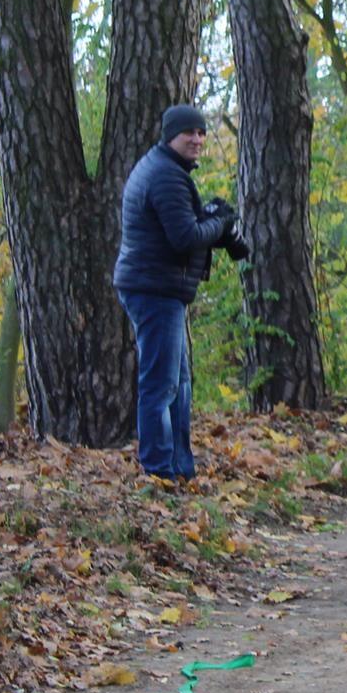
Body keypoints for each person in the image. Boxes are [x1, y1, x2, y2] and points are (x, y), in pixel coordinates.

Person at [114, 104, 245, 483]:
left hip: (157, 287)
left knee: (180, 383)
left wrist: (209, 221)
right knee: (161, 384)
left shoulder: (165, 169)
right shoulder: (166, 176)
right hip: (153, 289)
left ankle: (180, 469)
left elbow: (182, 228)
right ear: (170, 135)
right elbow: (184, 237)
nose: (197, 139)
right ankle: (159, 471)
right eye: (189, 132)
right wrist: (219, 224)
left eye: (202, 133)